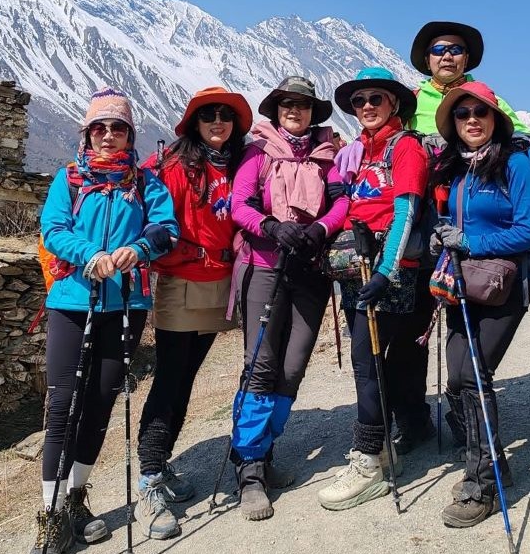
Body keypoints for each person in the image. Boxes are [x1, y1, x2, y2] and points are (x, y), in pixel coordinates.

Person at [33, 87, 178, 554]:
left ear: (130, 134)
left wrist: (139, 249)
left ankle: (76, 498)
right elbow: (53, 230)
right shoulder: (70, 179)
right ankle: (51, 515)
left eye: (118, 128)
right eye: (100, 127)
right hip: (72, 301)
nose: (109, 135)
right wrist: (89, 254)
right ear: (88, 133)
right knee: (62, 406)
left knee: (99, 403)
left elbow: (166, 230)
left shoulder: (146, 183)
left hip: (126, 306)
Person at [388, 21, 530, 456]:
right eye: (438, 49)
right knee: (413, 336)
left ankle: (469, 428)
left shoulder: (488, 99)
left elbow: (520, 136)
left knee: (463, 356)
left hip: (466, 238)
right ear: (427, 58)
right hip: (422, 232)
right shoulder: (409, 102)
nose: (447, 55)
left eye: (455, 49)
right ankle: (416, 420)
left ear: (466, 59)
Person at [131, 87, 252, 539]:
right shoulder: (175, 168)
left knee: (186, 379)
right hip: (183, 282)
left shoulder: (236, 165)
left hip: (219, 282)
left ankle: (159, 464)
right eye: (209, 116)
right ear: (194, 124)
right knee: (170, 378)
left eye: (225, 116)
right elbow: (145, 199)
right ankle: (149, 478)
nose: (218, 122)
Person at [228, 76, 350, 520]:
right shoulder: (258, 154)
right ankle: (251, 469)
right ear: (276, 111)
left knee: (293, 367)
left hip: (310, 270)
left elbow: (341, 204)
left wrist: (320, 229)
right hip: (265, 266)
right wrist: (271, 227)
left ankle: (265, 449)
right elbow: (238, 204)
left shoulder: (326, 156)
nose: (293, 112)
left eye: (301, 105)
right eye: (286, 105)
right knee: (260, 365)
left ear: (311, 111)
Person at [429, 81, 530, 528]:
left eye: (481, 112)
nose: (472, 119)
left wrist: (470, 241)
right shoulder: (455, 169)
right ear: (453, 124)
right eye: (462, 114)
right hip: (461, 283)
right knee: (457, 379)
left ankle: (482, 484)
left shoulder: (515, 164)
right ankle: (495, 461)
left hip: (503, 284)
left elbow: (528, 231)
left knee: (473, 376)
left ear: (496, 119)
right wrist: (445, 232)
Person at [317, 68, 428, 511]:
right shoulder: (361, 151)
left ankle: (369, 463)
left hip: (386, 267)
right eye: (359, 99)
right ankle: (382, 449)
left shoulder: (405, 149)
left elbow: (406, 212)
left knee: (368, 362)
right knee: (374, 361)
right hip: (359, 265)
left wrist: (386, 271)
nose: (366, 105)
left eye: (375, 98)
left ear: (394, 104)